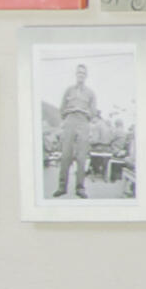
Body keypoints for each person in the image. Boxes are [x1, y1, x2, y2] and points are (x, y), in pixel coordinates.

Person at [48, 65, 100, 198]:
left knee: (81, 156)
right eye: (78, 73)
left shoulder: (91, 93)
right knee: (66, 155)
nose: (80, 75)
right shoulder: (69, 90)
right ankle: (62, 186)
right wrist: (69, 114)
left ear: (86, 76)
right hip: (70, 120)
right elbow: (61, 109)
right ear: (75, 75)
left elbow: (93, 112)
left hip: (83, 122)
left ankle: (80, 188)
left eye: (83, 73)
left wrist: (83, 112)